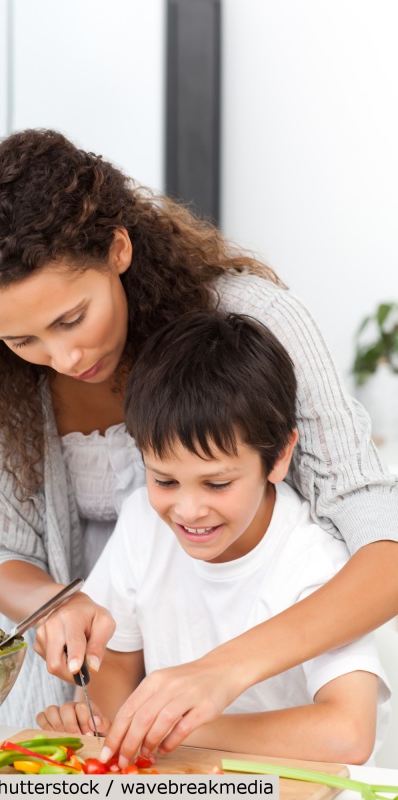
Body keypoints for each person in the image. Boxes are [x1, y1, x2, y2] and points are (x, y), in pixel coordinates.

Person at [0, 129, 398, 744]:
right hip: (94, 701)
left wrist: (218, 673)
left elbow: (377, 535)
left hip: (248, 699)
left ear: (118, 249)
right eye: (23, 340)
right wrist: (57, 605)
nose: (62, 357)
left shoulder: (252, 322)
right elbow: (2, 553)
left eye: (73, 318)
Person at [37, 311, 390, 766]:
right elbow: (116, 665)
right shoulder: (143, 522)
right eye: (164, 480)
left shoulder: (314, 561)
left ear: (280, 456)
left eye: (217, 484)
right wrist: (102, 722)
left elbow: (349, 736)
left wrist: (174, 729)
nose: (188, 510)